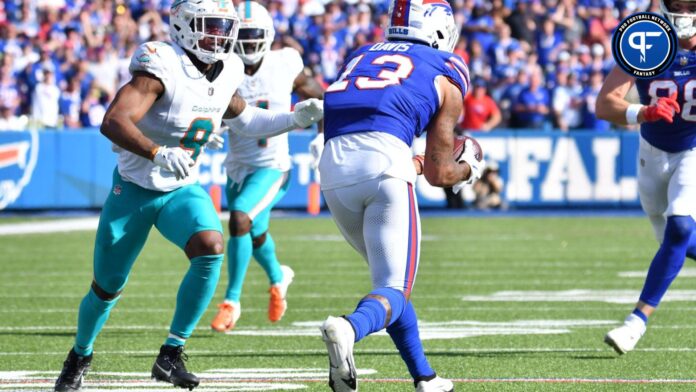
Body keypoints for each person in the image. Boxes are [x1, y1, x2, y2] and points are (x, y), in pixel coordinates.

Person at [53, 1, 323, 391]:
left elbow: (245, 117)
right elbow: (113, 120)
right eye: (209, 25)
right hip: (133, 189)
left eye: (223, 26)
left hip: (180, 188)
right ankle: (80, 355)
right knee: (106, 286)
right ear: (182, 26)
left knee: (211, 245)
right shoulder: (161, 64)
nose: (219, 35)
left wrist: (293, 119)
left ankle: (170, 354)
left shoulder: (227, 67)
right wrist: (157, 151)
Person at [317, 0, 484, 390]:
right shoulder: (447, 69)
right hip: (384, 164)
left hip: (333, 166)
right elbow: (444, 174)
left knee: (388, 286)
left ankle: (425, 377)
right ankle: (348, 327)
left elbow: (365, 121)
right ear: (440, 30)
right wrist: (470, 167)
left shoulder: (361, 55)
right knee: (395, 287)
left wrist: (416, 162)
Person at [210, 1, 324, 333]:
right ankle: (278, 277)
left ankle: (231, 301)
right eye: (241, 35)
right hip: (238, 166)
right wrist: (207, 129)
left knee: (240, 218)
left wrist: (322, 137)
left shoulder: (285, 63)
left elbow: (320, 99)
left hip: (272, 166)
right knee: (255, 232)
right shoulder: (222, 66)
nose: (247, 43)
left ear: (269, 35)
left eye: (254, 35)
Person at [596, 0, 696, 355]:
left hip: (692, 150)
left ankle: (635, 322)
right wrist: (644, 111)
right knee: (676, 241)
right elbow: (604, 103)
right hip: (651, 154)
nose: (684, 11)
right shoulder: (647, 40)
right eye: (677, 3)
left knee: (681, 227)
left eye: (691, 3)